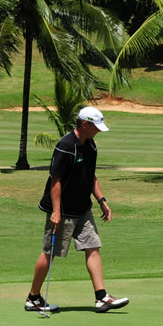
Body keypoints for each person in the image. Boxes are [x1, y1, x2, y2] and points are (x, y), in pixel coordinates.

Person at [26, 107, 129, 313]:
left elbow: (91, 176)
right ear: (84, 124)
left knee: (92, 246)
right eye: (96, 127)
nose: (98, 131)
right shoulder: (66, 146)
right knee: (50, 252)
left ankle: (101, 297)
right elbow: (55, 180)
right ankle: (33, 298)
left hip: (83, 208)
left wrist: (101, 200)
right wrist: (56, 211)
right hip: (62, 210)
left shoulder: (91, 145)